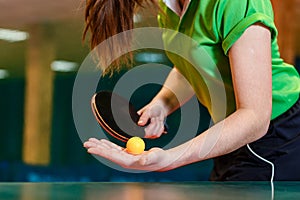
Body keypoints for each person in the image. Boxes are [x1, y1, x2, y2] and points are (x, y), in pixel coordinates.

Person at [83, 0, 300, 181]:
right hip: (229, 135)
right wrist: (161, 104)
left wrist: (170, 158)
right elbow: (192, 65)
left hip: (278, 135)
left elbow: (255, 117)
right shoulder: (169, 8)